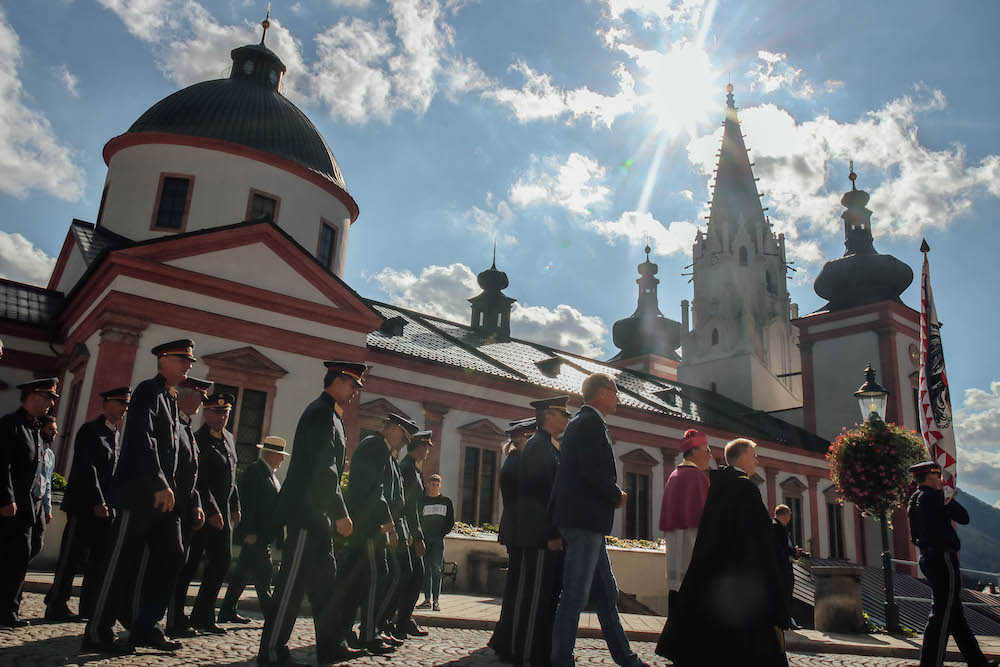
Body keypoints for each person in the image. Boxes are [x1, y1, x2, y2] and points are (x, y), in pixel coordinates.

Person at [83, 339, 195, 654]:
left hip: (163, 500)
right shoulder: (148, 391)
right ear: (164, 360)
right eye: (183, 360)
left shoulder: (170, 399)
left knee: (173, 555)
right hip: (139, 493)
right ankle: (97, 631)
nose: (189, 366)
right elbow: (142, 440)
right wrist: (160, 481)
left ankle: (146, 626)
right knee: (121, 563)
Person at [257, 361, 366, 667]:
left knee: (326, 586)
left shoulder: (331, 415)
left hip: (318, 517)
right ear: (338, 380)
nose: (355, 392)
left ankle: (331, 646)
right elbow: (324, 469)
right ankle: (272, 652)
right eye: (353, 385)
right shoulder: (321, 413)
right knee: (291, 586)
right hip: (307, 514)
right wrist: (341, 512)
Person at [656, 438, 789, 667]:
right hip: (742, 567)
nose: (756, 460)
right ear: (742, 457)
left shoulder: (719, 484)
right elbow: (758, 534)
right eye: (753, 455)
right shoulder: (745, 488)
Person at [549, 373, 647, 667]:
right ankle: (560, 659)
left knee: (606, 594)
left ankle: (625, 657)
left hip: (585, 521)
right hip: (585, 521)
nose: (617, 398)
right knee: (575, 594)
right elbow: (592, 472)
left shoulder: (583, 423)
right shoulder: (590, 423)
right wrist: (616, 495)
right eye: (615, 392)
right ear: (603, 393)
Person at [332, 412, 419, 655]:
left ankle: (349, 630)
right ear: (392, 429)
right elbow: (374, 489)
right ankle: (368, 634)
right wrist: (387, 521)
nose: (404, 442)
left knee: (366, 579)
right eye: (404, 436)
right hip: (369, 526)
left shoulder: (380, 448)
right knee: (374, 577)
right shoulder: (375, 447)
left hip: (371, 525)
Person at [46, 387, 130, 621]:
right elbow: (87, 468)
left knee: (98, 560)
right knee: (70, 557)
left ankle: (89, 607)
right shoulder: (91, 430)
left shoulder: (115, 434)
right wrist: (98, 500)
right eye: (120, 403)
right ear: (106, 404)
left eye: (126, 405)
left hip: (105, 509)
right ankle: (55, 603)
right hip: (84, 505)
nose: (124, 409)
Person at [907, 461, 999, 667]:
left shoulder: (914, 499)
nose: (941, 479)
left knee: (955, 615)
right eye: (938, 476)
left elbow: (914, 535)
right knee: (941, 614)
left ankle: (978, 663)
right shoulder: (937, 497)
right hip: (943, 559)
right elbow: (964, 517)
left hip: (927, 558)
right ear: (931, 477)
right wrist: (949, 496)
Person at [513, 395, 572, 667]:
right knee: (535, 600)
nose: (567, 418)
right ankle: (527, 657)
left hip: (545, 536)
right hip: (538, 538)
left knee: (545, 598)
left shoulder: (549, 447)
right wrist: (551, 534)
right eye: (563, 413)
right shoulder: (539, 447)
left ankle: (538, 653)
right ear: (549, 416)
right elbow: (539, 496)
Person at [176, 392, 241, 634]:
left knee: (221, 563)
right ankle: (177, 615)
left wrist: (235, 506)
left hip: (223, 513)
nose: (221, 417)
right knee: (190, 565)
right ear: (206, 413)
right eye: (216, 412)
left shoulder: (229, 439)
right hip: (201, 510)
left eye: (225, 412)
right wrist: (212, 509)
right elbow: (199, 481)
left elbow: (232, 477)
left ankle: (203, 614)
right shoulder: (198, 440)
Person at [0, 378, 58, 628]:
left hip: (28, 505)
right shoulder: (11, 425)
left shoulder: (34, 429)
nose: (51, 404)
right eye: (48, 398)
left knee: (21, 555)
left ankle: (8, 608)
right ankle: (6, 611)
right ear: (33, 396)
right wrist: (6, 497)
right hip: (12, 505)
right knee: (13, 556)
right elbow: (2, 466)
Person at [219, 435, 289, 623]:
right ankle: (271, 614)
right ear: (272, 455)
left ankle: (227, 609)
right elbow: (247, 504)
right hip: (255, 534)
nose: (282, 459)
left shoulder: (270, 475)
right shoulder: (255, 472)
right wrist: (247, 530)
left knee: (243, 573)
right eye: (280, 455)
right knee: (264, 573)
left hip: (263, 535)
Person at [165, 376, 210, 637]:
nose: (202, 403)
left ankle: (172, 618)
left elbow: (192, 476)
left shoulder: (186, 428)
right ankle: (159, 620)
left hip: (184, 508)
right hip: (170, 508)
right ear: (185, 395)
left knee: (178, 566)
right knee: (169, 565)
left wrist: (196, 504)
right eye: (199, 397)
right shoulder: (175, 425)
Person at [488, 417, 536, 661]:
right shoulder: (519, 463)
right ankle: (510, 640)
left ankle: (505, 637)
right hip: (521, 531)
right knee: (519, 588)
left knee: (515, 587)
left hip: (515, 530)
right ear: (524, 438)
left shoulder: (513, 460)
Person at [388, 429, 432, 639]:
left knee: (413, 577)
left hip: (409, 531)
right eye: (426, 447)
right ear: (419, 447)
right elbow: (410, 508)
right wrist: (418, 537)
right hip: (407, 531)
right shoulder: (407, 469)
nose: (428, 452)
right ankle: (395, 620)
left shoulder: (412, 469)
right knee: (409, 577)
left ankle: (404, 620)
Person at [659, 429, 711, 605]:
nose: (710, 455)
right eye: (707, 450)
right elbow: (706, 515)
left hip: (674, 539)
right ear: (695, 451)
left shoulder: (674, 475)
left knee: (676, 586)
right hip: (693, 539)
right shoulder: (697, 476)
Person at [418, 474, 454, 610]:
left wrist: (441, 533)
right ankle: (427, 599)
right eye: (432, 484)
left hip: (438, 540)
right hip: (425, 539)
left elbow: (450, 520)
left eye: (436, 485)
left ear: (440, 486)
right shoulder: (422, 501)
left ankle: (436, 600)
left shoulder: (446, 501)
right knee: (426, 569)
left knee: (436, 569)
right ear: (428, 485)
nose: (434, 487)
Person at [771, 504, 805, 629]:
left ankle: (786, 621)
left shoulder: (780, 527)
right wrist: (793, 552)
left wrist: (793, 551)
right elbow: (779, 549)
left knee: (787, 594)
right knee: (784, 594)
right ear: (785, 515)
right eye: (789, 514)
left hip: (785, 565)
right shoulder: (776, 527)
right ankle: (784, 622)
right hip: (782, 567)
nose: (790, 517)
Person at [31, 415, 58, 562]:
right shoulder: (33, 448)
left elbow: (47, 483)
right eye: (50, 429)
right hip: (28, 499)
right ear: (41, 429)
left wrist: (47, 508)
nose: (54, 433)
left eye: (55, 430)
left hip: (40, 502)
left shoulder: (50, 455)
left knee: (37, 541)